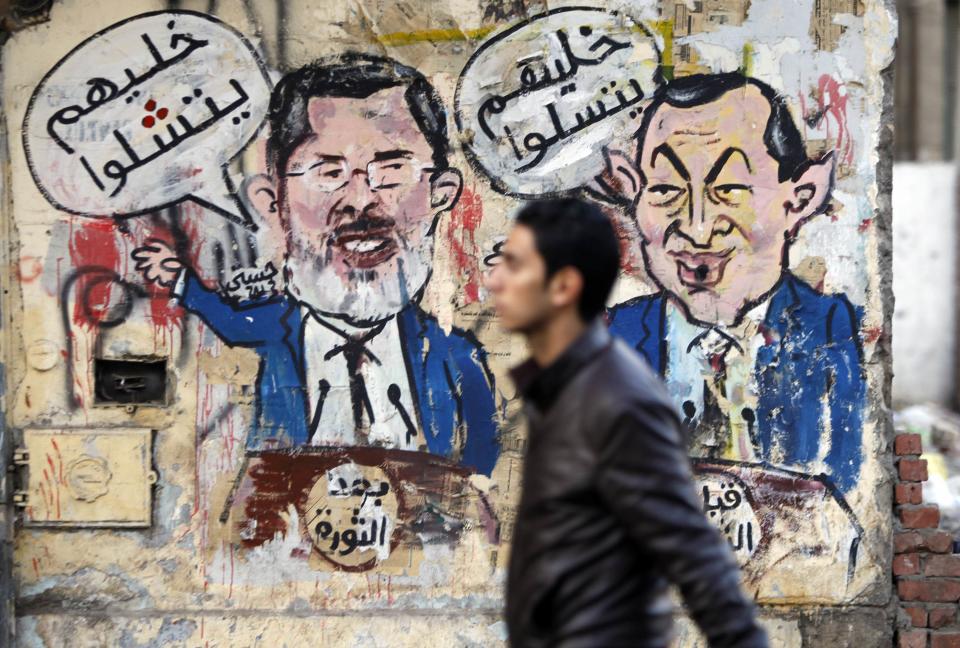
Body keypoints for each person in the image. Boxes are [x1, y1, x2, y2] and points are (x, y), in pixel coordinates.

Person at [132, 54, 499, 476]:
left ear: (442, 192)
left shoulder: (457, 356)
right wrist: (180, 280)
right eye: (328, 172)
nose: (361, 200)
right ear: (273, 204)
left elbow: (483, 467)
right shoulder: (260, 341)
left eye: (393, 168)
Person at [485, 198, 767, 647]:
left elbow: (694, 552)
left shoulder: (616, 398)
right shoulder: (566, 387)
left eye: (514, 265)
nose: (494, 280)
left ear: (563, 287)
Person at [601, 73, 864, 492]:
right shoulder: (610, 340)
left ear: (801, 198)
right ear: (634, 193)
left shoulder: (836, 333)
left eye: (731, 188)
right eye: (666, 189)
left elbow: (848, 491)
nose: (697, 228)